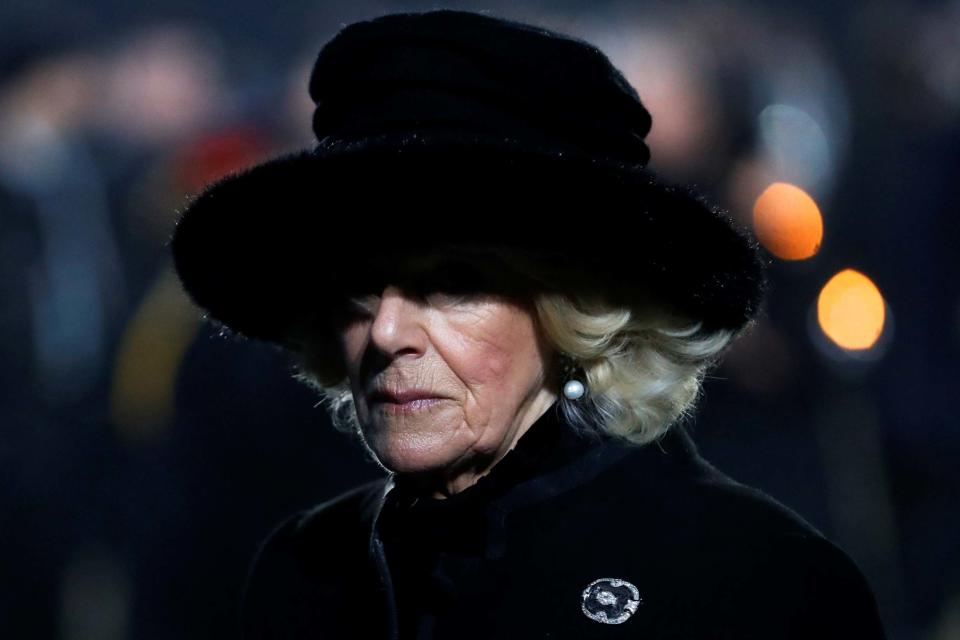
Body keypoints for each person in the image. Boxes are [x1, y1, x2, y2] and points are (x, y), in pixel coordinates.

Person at [168, 8, 889, 639]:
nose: (387, 333)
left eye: (453, 283)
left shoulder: (760, 587)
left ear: (575, 310)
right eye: (359, 287)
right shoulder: (304, 573)